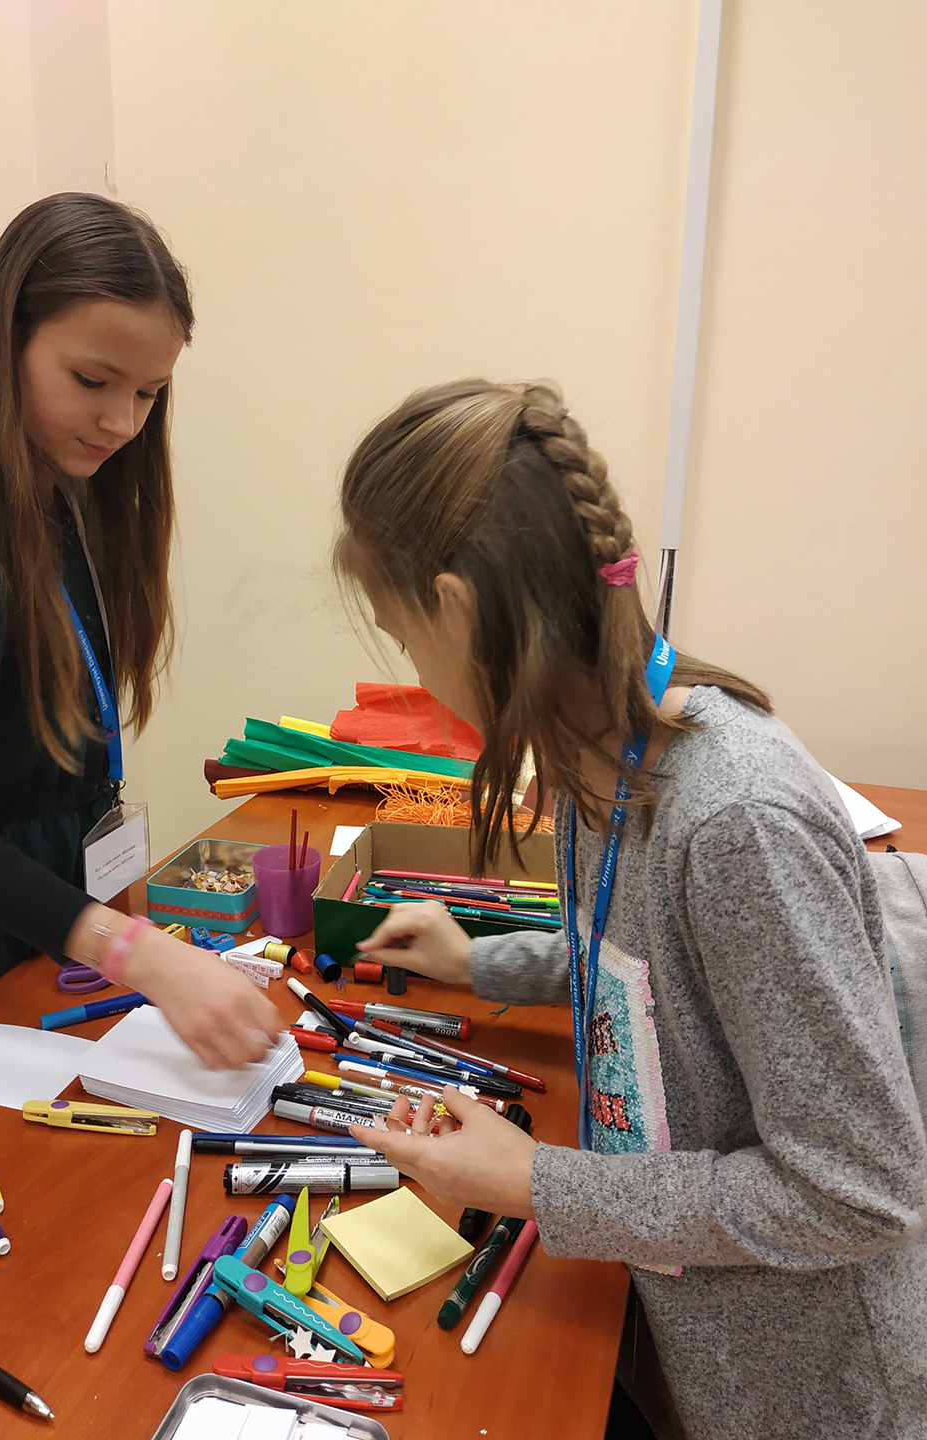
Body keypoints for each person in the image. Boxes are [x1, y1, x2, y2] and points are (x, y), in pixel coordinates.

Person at [337, 379, 927, 1439]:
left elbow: (859, 1189)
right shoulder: (599, 751)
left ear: (457, 609)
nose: (416, 673)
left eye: (402, 636)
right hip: (677, 1326)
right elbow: (648, 974)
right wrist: (481, 963)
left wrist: (541, 1184)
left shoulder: (734, 819)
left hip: (802, 1392)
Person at [0, 192, 278, 1075]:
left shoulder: (66, 494)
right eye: (92, 381)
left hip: (69, 911)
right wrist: (141, 955)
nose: (123, 422)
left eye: (149, 393)